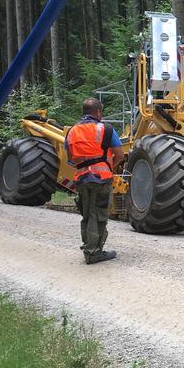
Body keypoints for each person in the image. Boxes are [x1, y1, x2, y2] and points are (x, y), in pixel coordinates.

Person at [64, 98, 125, 264]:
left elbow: (70, 158)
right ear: (98, 112)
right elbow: (120, 154)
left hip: (82, 178)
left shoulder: (71, 131)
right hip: (102, 179)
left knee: (87, 214)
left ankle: (89, 248)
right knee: (98, 214)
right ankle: (94, 253)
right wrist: (108, 165)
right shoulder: (106, 129)